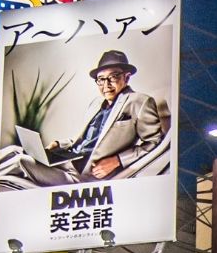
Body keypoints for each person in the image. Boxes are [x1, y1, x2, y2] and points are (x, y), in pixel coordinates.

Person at [41, 50, 169, 179]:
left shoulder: (139, 101)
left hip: (86, 173)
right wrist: (59, 144)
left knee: (21, 161)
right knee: (24, 155)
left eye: (113, 77)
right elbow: (84, 140)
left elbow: (154, 142)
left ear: (127, 77)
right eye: (101, 79)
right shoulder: (95, 103)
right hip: (67, 161)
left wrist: (117, 161)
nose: (106, 85)